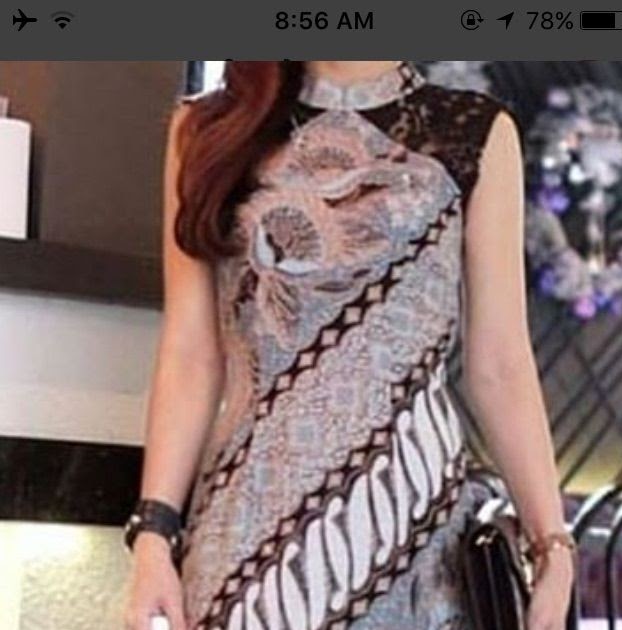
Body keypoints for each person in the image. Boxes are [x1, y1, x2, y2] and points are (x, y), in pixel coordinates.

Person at [124, 61, 575, 630]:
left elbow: (501, 364)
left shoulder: (474, 130)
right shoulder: (210, 128)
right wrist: (153, 536)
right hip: (249, 532)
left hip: (413, 533)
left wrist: (551, 542)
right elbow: (191, 353)